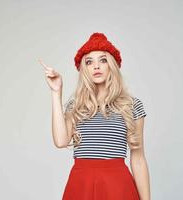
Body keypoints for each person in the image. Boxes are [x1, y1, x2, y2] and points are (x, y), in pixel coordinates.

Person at [39, 32, 151, 200]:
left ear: (111, 65)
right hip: (80, 185)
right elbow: (61, 141)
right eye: (89, 62)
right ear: (84, 69)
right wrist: (56, 93)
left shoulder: (132, 106)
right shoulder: (76, 105)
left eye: (103, 60)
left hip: (118, 187)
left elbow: (139, 159)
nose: (96, 66)